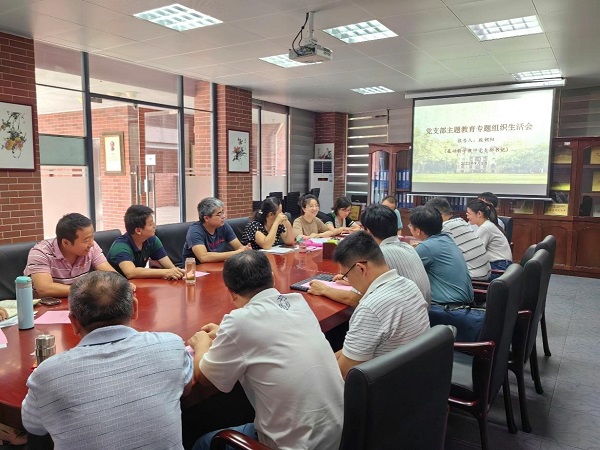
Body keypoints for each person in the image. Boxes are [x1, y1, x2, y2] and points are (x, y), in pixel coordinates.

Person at [188, 251, 344, 450]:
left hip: (296, 445)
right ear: (272, 277)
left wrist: (201, 344)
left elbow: (205, 379)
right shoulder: (297, 303)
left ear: (231, 292)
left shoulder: (239, 321)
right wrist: (226, 335)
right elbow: (268, 331)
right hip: (339, 434)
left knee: (201, 443)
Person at [21, 271, 193, 449]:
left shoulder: (47, 374)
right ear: (135, 309)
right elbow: (186, 387)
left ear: (74, 321)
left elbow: (33, 426)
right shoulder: (171, 346)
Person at [332, 231, 430, 378]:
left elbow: (343, 373)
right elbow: (353, 350)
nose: (348, 282)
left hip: (388, 386)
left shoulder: (372, 308)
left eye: (346, 276)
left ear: (361, 268)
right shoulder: (409, 285)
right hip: (418, 376)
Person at [309, 204, 431, 307]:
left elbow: (354, 299)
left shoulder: (379, 255)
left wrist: (324, 289)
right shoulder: (407, 247)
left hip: (401, 317)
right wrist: (353, 280)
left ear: (368, 231)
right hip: (420, 314)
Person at [24, 213, 117, 298]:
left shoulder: (91, 247)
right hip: (45, 307)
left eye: (92, 237)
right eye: (86, 240)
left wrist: (119, 283)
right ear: (66, 242)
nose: (91, 244)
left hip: (77, 302)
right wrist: (87, 291)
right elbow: (44, 289)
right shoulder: (41, 252)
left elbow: (112, 276)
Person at [409, 206, 474, 305]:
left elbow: (405, 269)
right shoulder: (446, 238)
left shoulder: (426, 247)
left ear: (418, 231)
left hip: (447, 307)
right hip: (465, 303)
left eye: (410, 225)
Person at [107, 205, 185, 279]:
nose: (154, 225)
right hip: (116, 286)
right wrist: (165, 272)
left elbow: (170, 268)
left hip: (136, 284)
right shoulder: (121, 246)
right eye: (150, 224)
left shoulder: (152, 240)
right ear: (138, 230)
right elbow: (130, 272)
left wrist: (177, 272)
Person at [425, 197, 491, 281]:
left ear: (437, 215)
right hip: (484, 273)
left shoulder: (445, 227)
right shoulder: (461, 221)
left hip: (474, 278)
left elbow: (431, 252)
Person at [182, 197, 251, 263]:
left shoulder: (223, 226)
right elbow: (203, 257)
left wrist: (246, 249)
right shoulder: (195, 231)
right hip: (197, 268)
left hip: (217, 265)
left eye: (223, 212)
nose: (223, 216)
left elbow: (239, 247)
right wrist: (237, 252)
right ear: (206, 218)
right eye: (219, 214)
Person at [466, 199, 512, 273]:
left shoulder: (485, 228)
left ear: (479, 214)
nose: (467, 217)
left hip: (498, 266)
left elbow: (476, 252)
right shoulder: (487, 225)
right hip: (500, 264)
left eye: (469, 214)